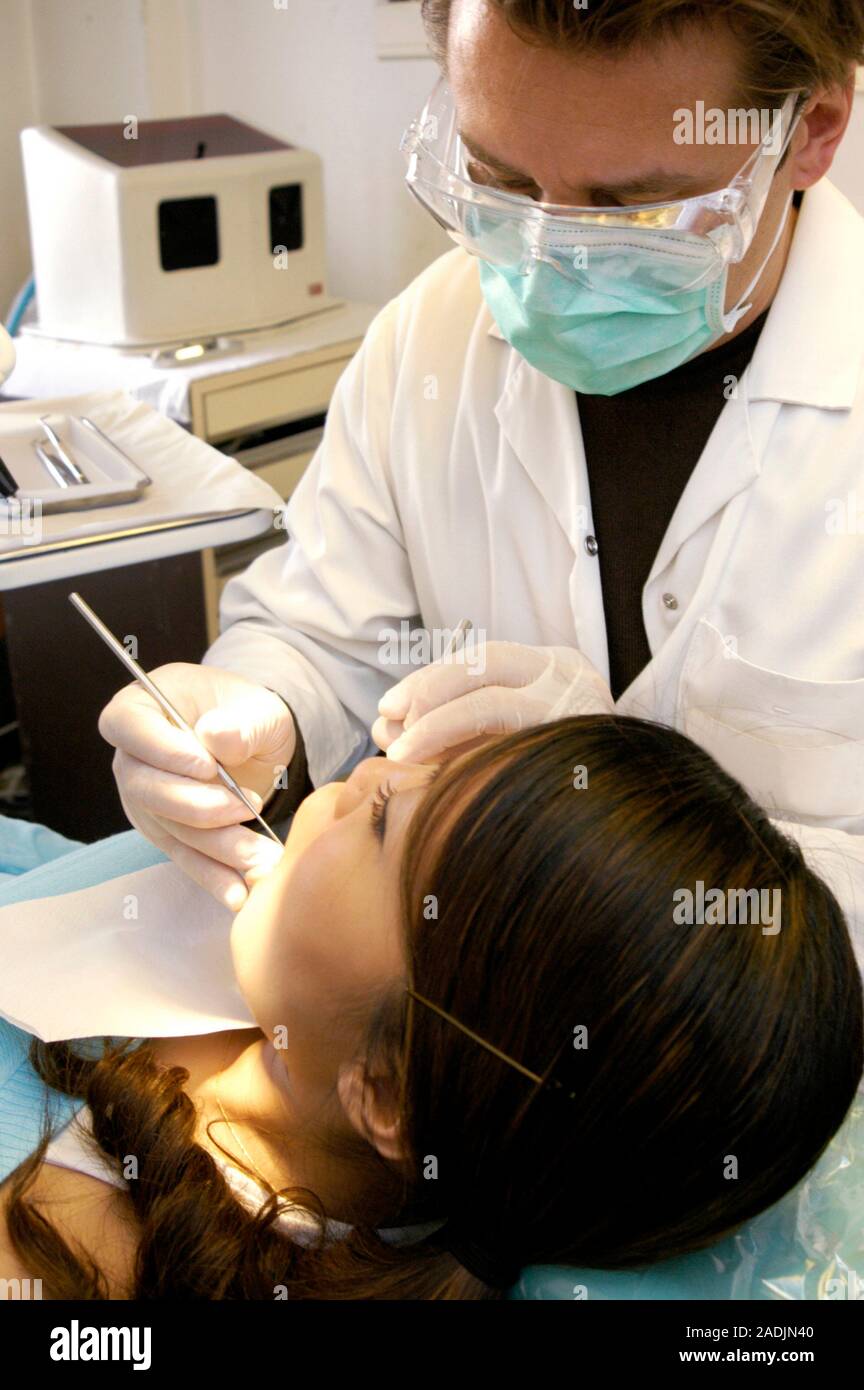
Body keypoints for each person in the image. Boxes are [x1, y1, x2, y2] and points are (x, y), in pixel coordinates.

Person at [97, 1, 864, 971]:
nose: (547, 262)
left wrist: (621, 827)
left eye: (631, 208)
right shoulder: (431, 341)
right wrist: (259, 711)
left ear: (813, 133)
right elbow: (322, 631)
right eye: (501, 182)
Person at [2, 717, 862, 1299]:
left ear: (385, 1094)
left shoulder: (65, 1245)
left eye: (381, 821)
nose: (370, 765)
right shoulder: (306, 1001)